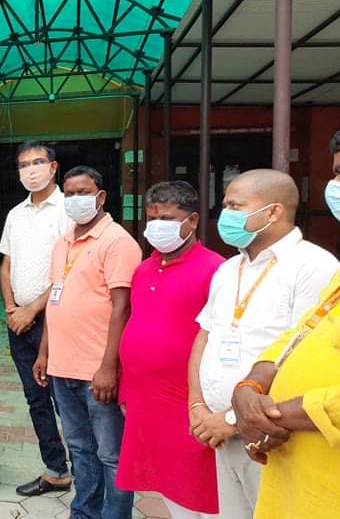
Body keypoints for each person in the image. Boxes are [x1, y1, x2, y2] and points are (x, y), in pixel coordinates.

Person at [187, 168, 338, 519]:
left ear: (273, 212)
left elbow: (302, 357)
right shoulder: (229, 269)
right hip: (217, 432)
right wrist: (197, 406)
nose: (225, 214)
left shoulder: (314, 267)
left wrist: (232, 419)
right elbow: (205, 336)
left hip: (272, 436)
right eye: (225, 204)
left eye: (235, 206)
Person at [231, 123, 340, 519]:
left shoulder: (315, 263)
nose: (339, 187)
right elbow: (303, 333)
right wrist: (250, 385)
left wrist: (274, 415)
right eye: (338, 175)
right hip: (295, 487)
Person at [33, 165, 141, 519]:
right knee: (80, 448)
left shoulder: (117, 242)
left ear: (101, 197)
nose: (76, 200)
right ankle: (84, 512)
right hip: (62, 367)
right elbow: (55, 300)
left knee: (110, 454)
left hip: (98, 372)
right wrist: (44, 353)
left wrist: (109, 367)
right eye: (70, 194)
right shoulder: (63, 243)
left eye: (83, 193)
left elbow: (123, 308)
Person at [116, 181, 224, 518]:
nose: (157, 226)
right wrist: (125, 388)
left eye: (167, 218)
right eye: (152, 218)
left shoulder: (215, 269)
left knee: (199, 482)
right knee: (164, 479)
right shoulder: (143, 269)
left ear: (192, 221)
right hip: (145, 398)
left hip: (190, 400)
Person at [0, 140, 71, 496]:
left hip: (54, 322)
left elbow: (69, 271)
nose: (30, 170)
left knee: (65, 400)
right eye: (23, 164)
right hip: (19, 322)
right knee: (35, 399)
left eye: (37, 162)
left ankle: (88, 471)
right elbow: (5, 264)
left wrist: (32, 310)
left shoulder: (68, 210)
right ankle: (56, 470)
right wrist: (12, 308)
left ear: (53, 167)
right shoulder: (16, 214)